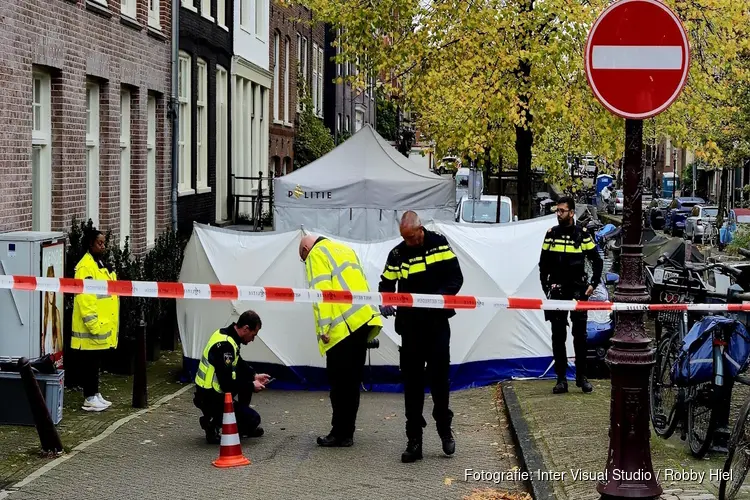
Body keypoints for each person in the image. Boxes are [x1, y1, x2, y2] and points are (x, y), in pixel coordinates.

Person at [378, 211, 464, 463]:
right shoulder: (397, 253)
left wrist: (436, 299)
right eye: (405, 238)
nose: (410, 242)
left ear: (420, 229)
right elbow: (386, 283)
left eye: (412, 237)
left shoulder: (439, 243)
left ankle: (444, 429)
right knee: (412, 386)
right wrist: (385, 300)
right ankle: (414, 440)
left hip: (436, 325)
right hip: (411, 328)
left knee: (440, 382)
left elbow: (456, 278)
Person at [299, 234, 383, 447]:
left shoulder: (316, 254)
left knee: (339, 385)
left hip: (341, 329)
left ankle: (339, 433)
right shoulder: (345, 249)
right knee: (352, 383)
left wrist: (323, 328)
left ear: (306, 248)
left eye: (303, 258)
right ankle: (348, 432)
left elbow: (321, 292)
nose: (305, 262)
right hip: (361, 321)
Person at [539, 196, 603, 395]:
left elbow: (597, 260)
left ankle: (581, 377)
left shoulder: (582, 234)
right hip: (558, 291)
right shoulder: (551, 234)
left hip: (578, 290)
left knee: (580, 336)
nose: (558, 214)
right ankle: (561, 379)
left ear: (572, 213)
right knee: (558, 335)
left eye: (562, 211)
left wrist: (592, 284)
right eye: (557, 211)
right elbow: (543, 264)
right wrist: (547, 288)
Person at [193, 310, 271, 444]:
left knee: (246, 384)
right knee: (254, 419)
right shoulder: (225, 346)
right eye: (253, 335)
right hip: (211, 396)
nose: (252, 339)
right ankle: (212, 423)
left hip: (210, 392)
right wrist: (252, 385)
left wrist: (254, 375)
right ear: (246, 328)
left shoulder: (227, 335)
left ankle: (238, 423)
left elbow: (238, 362)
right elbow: (226, 384)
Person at [71, 228, 119, 412]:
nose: (103, 246)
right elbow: (86, 298)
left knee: (95, 363)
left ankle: (95, 394)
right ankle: (89, 397)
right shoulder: (86, 267)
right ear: (90, 244)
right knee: (90, 364)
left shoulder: (99, 263)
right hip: (90, 327)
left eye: (104, 242)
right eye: (99, 242)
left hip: (101, 325)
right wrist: (93, 323)